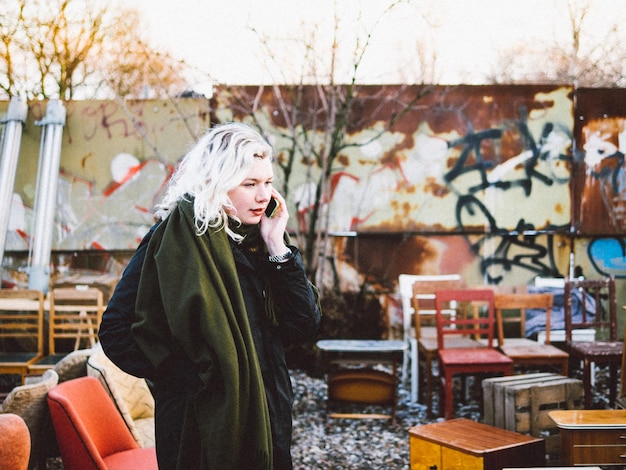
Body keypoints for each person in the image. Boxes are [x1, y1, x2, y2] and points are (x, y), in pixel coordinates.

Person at [99, 122, 321, 470]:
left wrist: (278, 247)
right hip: (199, 426)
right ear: (217, 182)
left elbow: (304, 325)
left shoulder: (263, 244)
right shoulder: (173, 240)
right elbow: (115, 330)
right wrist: (191, 378)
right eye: (249, 184)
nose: (263, 196)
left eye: (268, 183)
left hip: (267, 417)